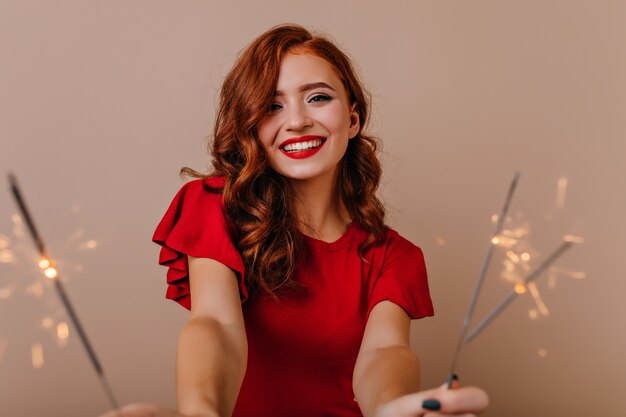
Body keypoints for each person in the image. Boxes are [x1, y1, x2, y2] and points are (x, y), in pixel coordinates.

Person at [99, 24, 488, 417]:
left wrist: (394, 409)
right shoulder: (216, 207)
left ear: (353, 120)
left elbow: (385, 352)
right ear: (251, 125)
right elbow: (217, 324)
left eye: (318, 97)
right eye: (272, 105)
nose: (297, 120)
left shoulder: (395, 257)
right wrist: (200, 412)